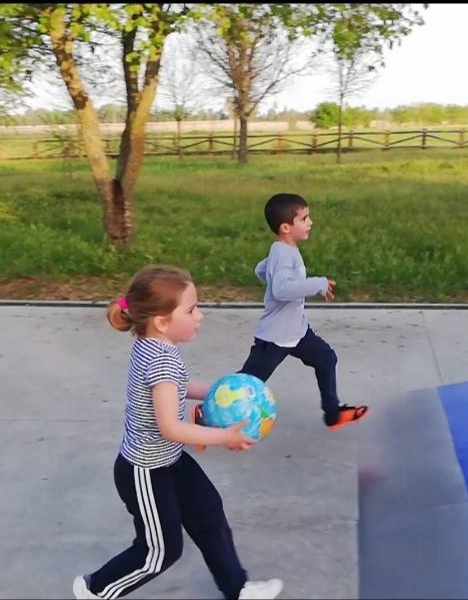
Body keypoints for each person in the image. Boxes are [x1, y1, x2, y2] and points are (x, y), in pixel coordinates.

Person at [73, 265, 283, 600]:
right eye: (191, 309)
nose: (200, 315)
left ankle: (237, 588)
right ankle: (96, 590)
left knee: (209, 514)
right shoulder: (162, 360)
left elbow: (177, 388)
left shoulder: (154, 345)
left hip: (168, 462)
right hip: (146, 471)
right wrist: (224, 436)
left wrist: (218, 391)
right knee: (160, 551)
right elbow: (170, 427)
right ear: (162, 321)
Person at [239, 193, 369, 430]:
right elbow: (280, 289)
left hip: (297, 331)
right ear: (286, 227)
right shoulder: (282, 251)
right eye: (304, 218)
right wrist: (317, 283)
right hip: (276, 337)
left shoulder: (282, 250)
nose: (311, 223)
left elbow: (261, 270)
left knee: (326, 359)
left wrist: (270, 273)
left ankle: (332, 414)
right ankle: (206, 414)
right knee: (247, 385)